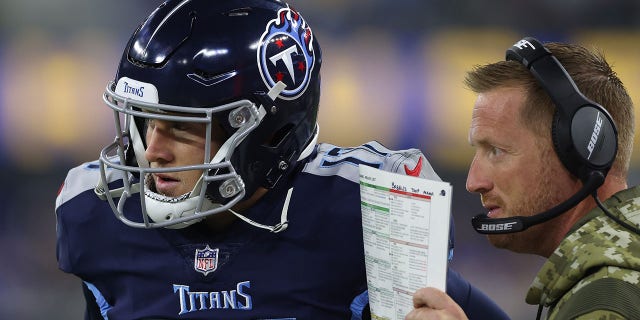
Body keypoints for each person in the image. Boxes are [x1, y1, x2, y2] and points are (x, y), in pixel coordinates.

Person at [55, 1, 509, 319]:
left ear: (269, 131)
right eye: (145, 123)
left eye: (185, 126)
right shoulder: (93, 213)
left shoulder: (370, 208)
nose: (153, 150)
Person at [406, 37, 640, 320]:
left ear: (579, 150)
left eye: (496, 151)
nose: (473, 182)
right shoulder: (611, 272)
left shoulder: (604, 300)